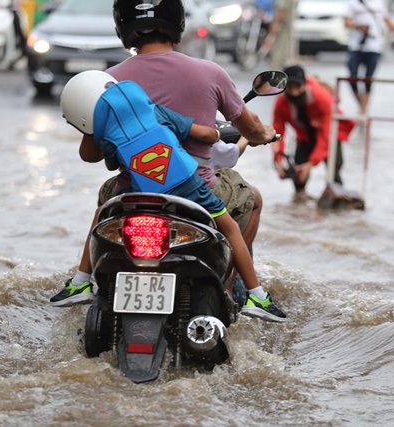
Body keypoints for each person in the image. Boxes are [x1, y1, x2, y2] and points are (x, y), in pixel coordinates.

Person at [50, 0, 286, 322]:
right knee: (252, 199)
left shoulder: (108, 81)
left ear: (122, 26)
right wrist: (262, 135)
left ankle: (83, 281)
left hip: (130, 194)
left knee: (105, 200)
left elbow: (90, 155)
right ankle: (233, 290)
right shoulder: (209, 72)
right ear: (178, 23)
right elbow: (249, 129)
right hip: (197, 186)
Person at [272, 65, 354, 198]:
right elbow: (276, 131)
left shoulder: (322, 98)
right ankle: (300, 199)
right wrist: (278, 159)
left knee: (334, 169)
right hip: (304, 135)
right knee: (298, 172)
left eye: (297, 86)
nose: (294, 92)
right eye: (289, 88)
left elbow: (326, 135)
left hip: (331, 134)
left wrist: (311, 164)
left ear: (304, 85)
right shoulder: (281, 102)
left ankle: (336, 196)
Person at [343, 0, 394, 117]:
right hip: (356, 45)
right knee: (352, 77)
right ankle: (362, 107)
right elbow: (346, 22)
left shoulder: (379, 3)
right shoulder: (353, 3)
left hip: (374, 46)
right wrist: (358, 26)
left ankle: (363, 111)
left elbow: (388, 21)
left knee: (368, 79)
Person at [268, 0, 296, 70]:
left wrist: (276, 24)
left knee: (278, 52)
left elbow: (281, 10)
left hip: (283, 28)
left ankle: (276, 72)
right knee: (282, 52)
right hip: (286, 28)